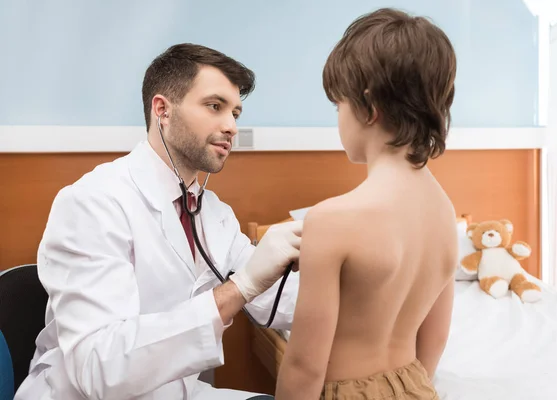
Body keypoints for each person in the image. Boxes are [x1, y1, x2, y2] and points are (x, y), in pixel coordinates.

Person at [15, 43, 302, 400]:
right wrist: (239, 288)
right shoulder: (92, 203)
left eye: (236, 114)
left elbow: (279, 301)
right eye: (215, 106)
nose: (230, 127)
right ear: (162, 110)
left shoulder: (213, 213)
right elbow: (100, 370)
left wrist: (352, 272)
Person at [275, 8, 458, 400]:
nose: (338, 118)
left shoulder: (332, 220)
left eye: (337, 105)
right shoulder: (444, 210)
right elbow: (436, 337)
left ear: (369, 107)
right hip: (414, 385)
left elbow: (306, 365)